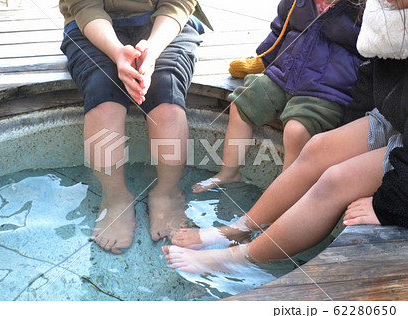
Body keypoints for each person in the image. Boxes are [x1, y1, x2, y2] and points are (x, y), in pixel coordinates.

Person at [163, 0, 408, 274]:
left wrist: (389, 207)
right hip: (396, 113)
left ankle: (240, 257)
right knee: (318, 148)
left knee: (334, 179)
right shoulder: (387, 10)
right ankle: (238, 229)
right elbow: (373, 74)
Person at [59, 0, 210, 253]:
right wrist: (117, 52)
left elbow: (178, 3)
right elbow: (85, 6)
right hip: (91, 26)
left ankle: (167, 191)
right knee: (102, 93)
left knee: (166, 92)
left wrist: (152, 50)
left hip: (165, 24)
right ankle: (115, 196)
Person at [192, 0, 365, 193]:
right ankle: (228, 173)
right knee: (241, 105)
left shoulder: (363, 9)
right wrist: (262, 58)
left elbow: (373, 55)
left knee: (296, 131)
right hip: (286, 73)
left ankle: (284, 193)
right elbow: (279, 30)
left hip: (328, 88)